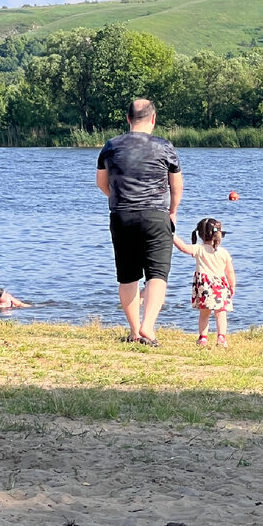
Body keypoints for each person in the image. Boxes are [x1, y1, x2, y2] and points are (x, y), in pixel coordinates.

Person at [96, 98, 183, 346]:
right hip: (156, 214)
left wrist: (120, 199)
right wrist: (173, 211)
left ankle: (135, 331)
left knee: (127, 275)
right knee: (157, 273)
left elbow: (101, 183)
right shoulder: (165, 147)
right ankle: (148, 327)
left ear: (128, 119)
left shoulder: (110, 146)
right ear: (153, 119)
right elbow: (176, 185)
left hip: (122, 215)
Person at [174, 217, 236, 348]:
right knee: (221, 313)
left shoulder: (199, 249)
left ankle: (203, 338)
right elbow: (230, 272)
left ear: (200, 234)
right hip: (220, 286)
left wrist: (171, 234)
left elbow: (184, 248)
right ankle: (221, 338)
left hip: (204, 286)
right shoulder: (223, 252)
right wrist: (232, 286)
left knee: (204, 314)